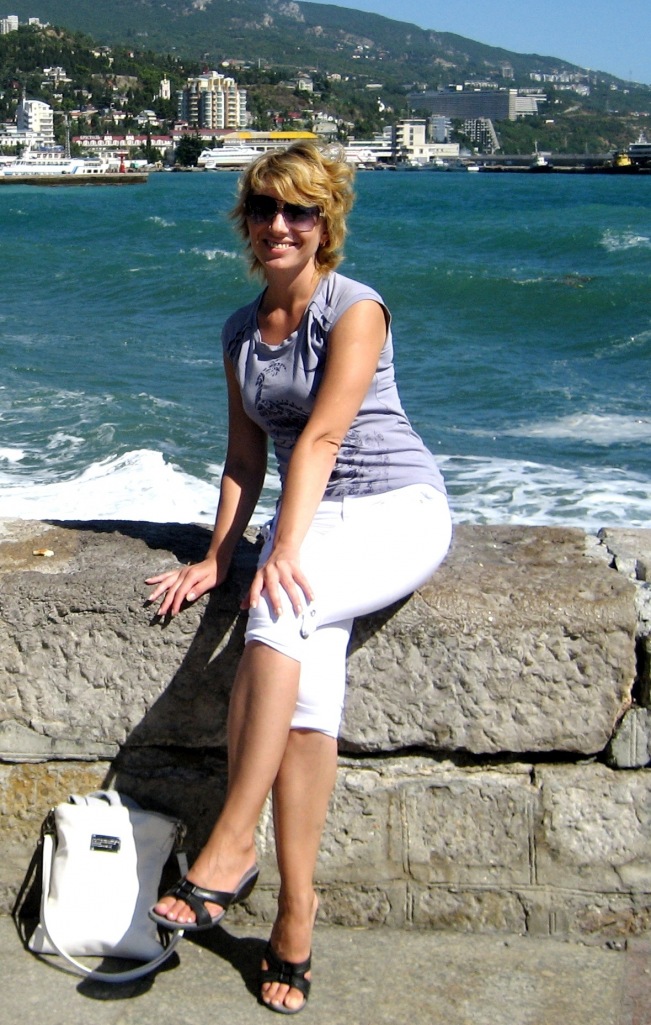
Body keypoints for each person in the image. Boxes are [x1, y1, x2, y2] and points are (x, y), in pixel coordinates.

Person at [145, 141, 452, 1015]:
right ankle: (295, 912)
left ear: (326, 223)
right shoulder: (240, 331)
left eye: (299, 210)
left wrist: (283, 548)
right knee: (309, 680)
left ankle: (232, 841)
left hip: (395, 508)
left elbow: (319, 436)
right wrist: (218, 554)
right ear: (246, 222)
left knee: (277, 609)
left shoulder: (355, 308)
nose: (279, 224)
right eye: (264, 209)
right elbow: (245, 457)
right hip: (317, 517)